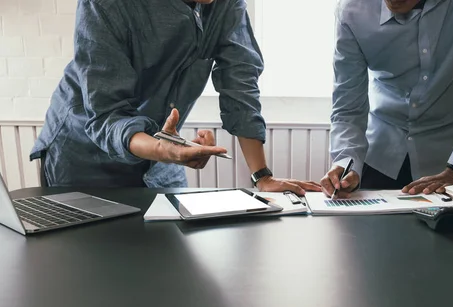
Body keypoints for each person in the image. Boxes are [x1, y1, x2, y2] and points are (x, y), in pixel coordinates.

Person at [30, 0, 320, 195]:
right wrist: (162, 149)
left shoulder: (227, 5)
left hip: (161, 157)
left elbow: (240, 83)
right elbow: (107, 114)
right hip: (83, 158)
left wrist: (262, 177)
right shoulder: (105, 5)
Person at [321, 0, 453, 198]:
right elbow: (348, 102)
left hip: (449, 158)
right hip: (378, 154)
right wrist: (345, 160)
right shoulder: (351, 9)